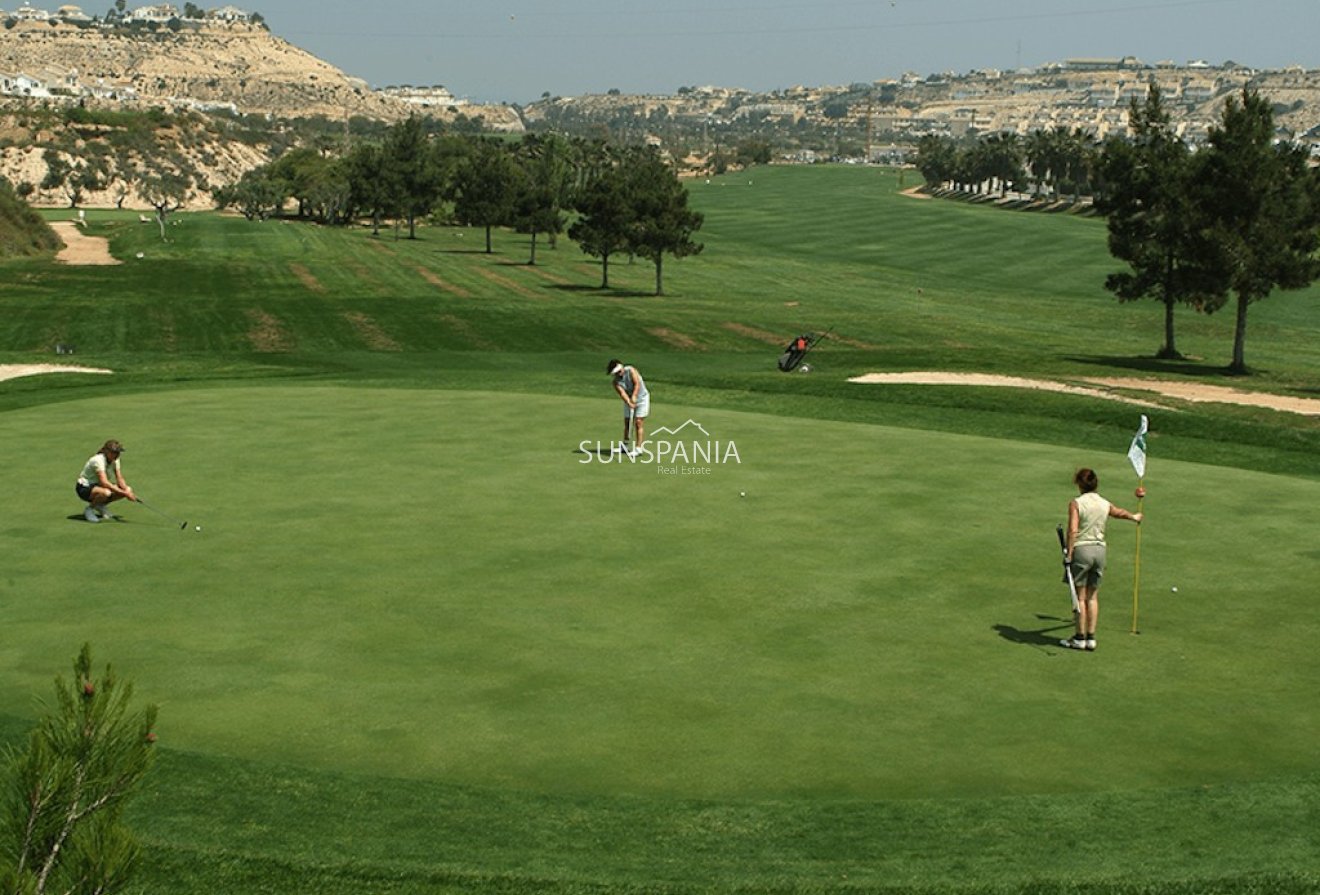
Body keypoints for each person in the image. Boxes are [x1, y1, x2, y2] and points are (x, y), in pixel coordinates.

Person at [1061, 468, 1143, 651]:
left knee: (1080, 597)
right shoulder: (1103, 502)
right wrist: (1134, 517)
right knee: (1092, 596)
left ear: (1080, 484)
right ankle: (1091, 638)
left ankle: (1079, 637)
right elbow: (1118, 512)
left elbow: (1073, 530)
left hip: (1082, 550)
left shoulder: (1076, 503)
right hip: (1100, 552)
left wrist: (1068, 553)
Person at [75, 439, 137, 523]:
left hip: (99, 486)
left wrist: (127, 491)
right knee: (106, 493)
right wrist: (125, 494)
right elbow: (104, 482)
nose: (117, 455)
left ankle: (100, 505)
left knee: (127, 489)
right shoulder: (98, 460)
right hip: (84, 488)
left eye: (118, 453)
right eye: (115, 453)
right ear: (107, 452)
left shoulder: (115, 460)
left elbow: (119, 478)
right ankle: (89, 510)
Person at [606, 359, 649, 455]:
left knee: (638, 422)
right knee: (627, 423)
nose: (619, 374)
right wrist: (629, 402)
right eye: (616, 373)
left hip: (642, 398)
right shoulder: (616, 382)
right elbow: (622, 393)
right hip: (629, 400)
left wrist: (634, 396)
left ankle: (638, 448)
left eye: (619, 371)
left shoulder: (631, 370)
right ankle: (624, 446)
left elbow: (637, 384)